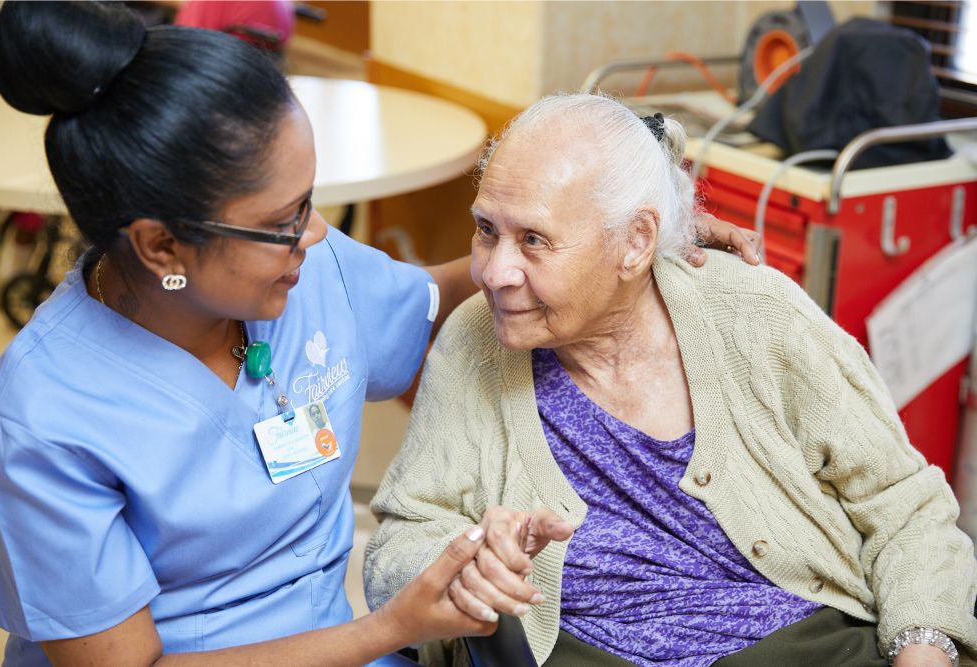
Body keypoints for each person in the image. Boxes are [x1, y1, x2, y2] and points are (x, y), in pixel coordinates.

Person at [0, 4, 759, 666]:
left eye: (309, 200)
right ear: (160, 247)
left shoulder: (308, 276)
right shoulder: (45, 418)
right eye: (282, 223)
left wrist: (629, 252)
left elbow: (449, 293)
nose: (317, 236)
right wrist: (389, 627)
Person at [364, 93, 977, 667]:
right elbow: (397, 548)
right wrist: (469, 560)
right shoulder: (476, 340)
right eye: (487, 230)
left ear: (635, 242)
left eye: (534, 241)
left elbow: (905, 507)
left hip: (795, 644)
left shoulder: (755, 313)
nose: (494, 272)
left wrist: (924, 646)